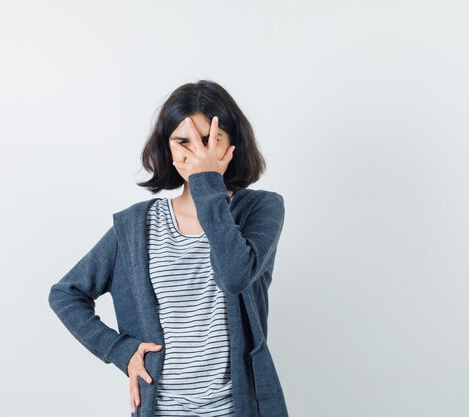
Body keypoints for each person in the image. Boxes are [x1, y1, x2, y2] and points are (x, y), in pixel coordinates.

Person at [48, 80, 289, 417]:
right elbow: (66, 294)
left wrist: (207, 183)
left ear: (232, 143)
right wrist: (120, 350)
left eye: (208, 140)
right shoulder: (136, 226)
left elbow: (234, 275)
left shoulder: (261, 210)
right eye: (183, 141)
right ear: (168, 147)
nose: (197, 153)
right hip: (162, 410)